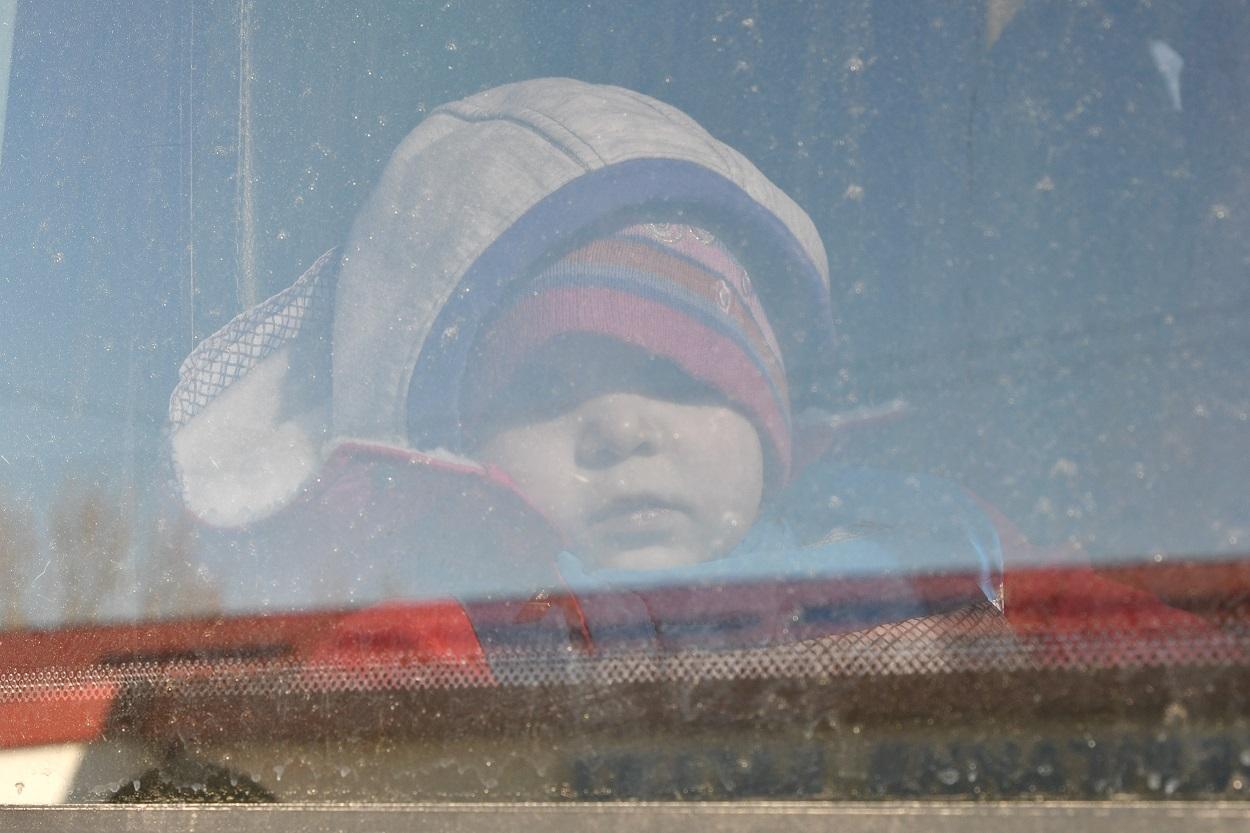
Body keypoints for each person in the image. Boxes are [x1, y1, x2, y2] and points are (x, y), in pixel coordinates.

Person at [166, 78, 1018, 659]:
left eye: (682, 379)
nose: (622, 427)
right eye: (544, 389)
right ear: (452, 455)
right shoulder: (455, 632)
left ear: (776, 426)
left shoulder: (931, 547)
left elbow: (1134, 665)